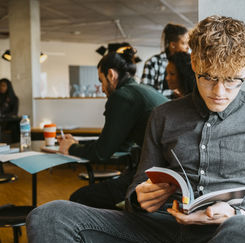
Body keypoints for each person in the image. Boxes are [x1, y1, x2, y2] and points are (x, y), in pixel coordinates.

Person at [27, 15, 245, 243]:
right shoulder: (163, 115)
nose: (220, 92)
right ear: (193, 63)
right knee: (49, 216)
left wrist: (238, 212)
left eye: (232, 80)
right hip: (157, 234)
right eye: (208, 77)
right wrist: (140, 199)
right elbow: (135, 191)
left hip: (229, 242)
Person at [58, 45, 168, 209]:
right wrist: (77, 144)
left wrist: (71, 148)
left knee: (79, 198)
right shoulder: (142, 90)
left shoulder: (121, 96)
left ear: (111, 74)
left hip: (154, 175)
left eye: (101, 81)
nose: (102, 88)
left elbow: (101, 153)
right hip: (166, 171)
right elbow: (119, 143)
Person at [141, 23, 189, 98]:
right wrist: (172, 93)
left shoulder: (188, 63)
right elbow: (145, 93)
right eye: (184, 43)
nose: (187, 47)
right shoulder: (153, 62)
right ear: (173, 45)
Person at [0, 78, 19, 142]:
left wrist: (4, 114)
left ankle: (16, 144)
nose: (1, 87)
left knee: (16, 125)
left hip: (10, 122)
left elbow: (14, 113)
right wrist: (5, 104)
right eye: (0, 85)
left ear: (8, 87)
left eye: (3, 86)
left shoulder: (14, 99)